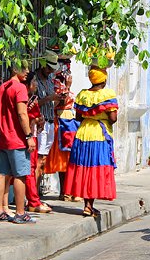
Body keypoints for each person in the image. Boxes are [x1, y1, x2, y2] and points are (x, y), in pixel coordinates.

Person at [64, 66, 118, 217]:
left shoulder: (83, 95)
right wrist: (101, 118)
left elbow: (78, 118)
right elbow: (113, 118)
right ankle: (89, 206)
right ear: (104, 79)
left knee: (84, 166)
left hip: (83, 132)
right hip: (99, 134)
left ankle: (87, 205)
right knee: (95, 168)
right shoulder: (107, 94)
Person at [0, 61, 36, 224]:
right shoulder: (20, 88)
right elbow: (22, 114)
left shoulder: (2, 88)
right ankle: (20, 213)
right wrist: (28, 135)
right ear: (15, 69)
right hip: (17, 138)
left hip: (4, 137)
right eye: (24, 68)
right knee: (20, 175)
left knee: (3, 173)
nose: (27, 71)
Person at [45, 68, 79, 201]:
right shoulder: (55, 84)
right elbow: (61, 102)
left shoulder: (61, 84)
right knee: (63, 159)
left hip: (70, 123)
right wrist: (68, 87)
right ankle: (65, 191)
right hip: (61, 123)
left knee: (70, 159)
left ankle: (70, 190)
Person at [23, 72, 53, 213]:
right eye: (33, 81)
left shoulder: (32, 99)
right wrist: (35, 120)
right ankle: (33, 201)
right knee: (30, 169)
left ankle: (33, 199)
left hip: (34, 134)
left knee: (33, 166)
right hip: (28, 136)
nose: (36, 84)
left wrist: (39, 120)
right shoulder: (25, 100)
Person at [35, 50, 62, 195]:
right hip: (41, 123)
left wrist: (57, 99)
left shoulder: (50, 79)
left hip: (51, 121)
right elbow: (31, 103)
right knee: (38, 159)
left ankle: (36, 193)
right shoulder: (34, 80)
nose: (51, 70)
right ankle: (33, 194)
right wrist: (48, 98)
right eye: (49, 67)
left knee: (44, 159)